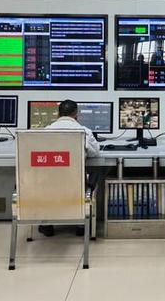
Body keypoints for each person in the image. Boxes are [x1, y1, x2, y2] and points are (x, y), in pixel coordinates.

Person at [38, 99, 100, 237]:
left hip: (48, 185)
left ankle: (46, 224)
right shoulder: (84, 131)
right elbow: (95, 152)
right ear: (76, 114)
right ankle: (81, 225)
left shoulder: (45, 132)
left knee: (50, 183)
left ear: (58, 114)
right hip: (75, 185)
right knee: (92, 175)